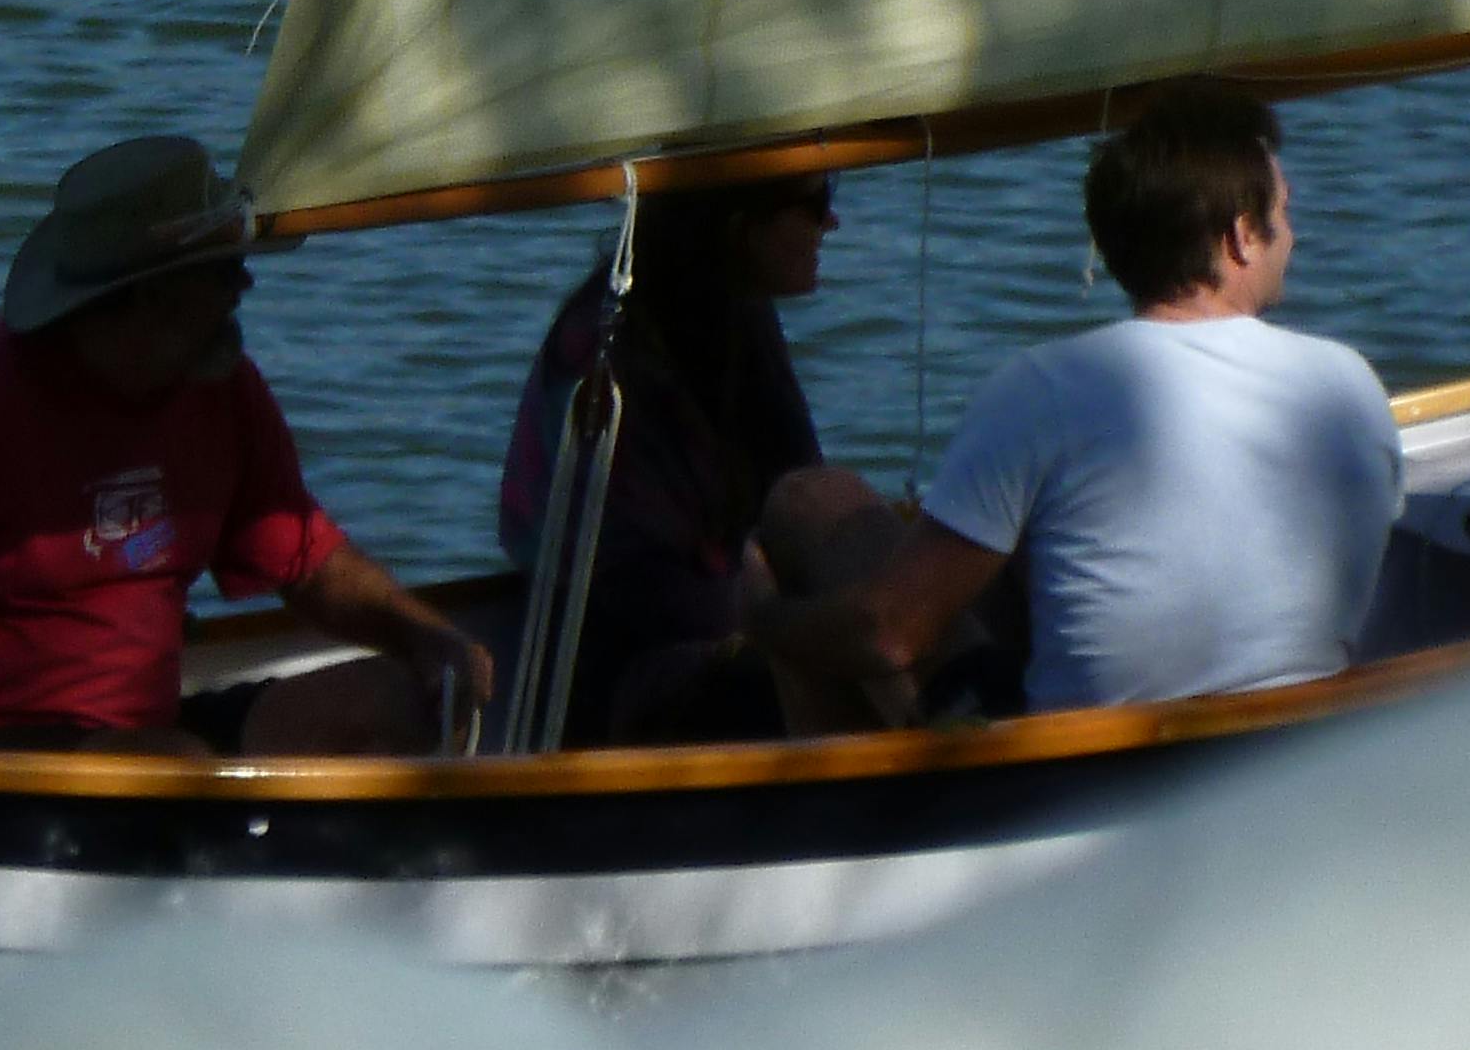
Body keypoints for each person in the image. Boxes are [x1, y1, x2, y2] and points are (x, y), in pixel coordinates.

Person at [0, 134, 497, 755]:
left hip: (141, 738)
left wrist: (426, 639)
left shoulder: (223, 389)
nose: (244, 290)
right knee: (169, 764)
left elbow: (304, 559)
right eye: (222, 271)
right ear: (140, 302)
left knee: (405, 703)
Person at [759, 86, 1400, 720]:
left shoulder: (1044, 389)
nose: (1291, 235)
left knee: (813, 503)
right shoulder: (1349, 386)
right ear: (1239, 237)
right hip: (1304, 748)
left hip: (1085, 781)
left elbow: (890, 635)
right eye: (1283, 214)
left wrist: (763, 625)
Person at [494, 174, 898, 743]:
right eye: (815, 203)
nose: (831, 222)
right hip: (626, 684)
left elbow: (797, 501)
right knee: (849, 660)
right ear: (740, 228)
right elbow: (632, 590)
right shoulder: (608, 351)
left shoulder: (731, 319)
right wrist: (806, 626)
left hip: (717, 624)